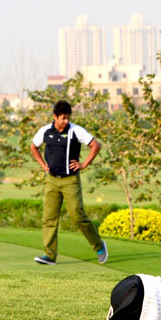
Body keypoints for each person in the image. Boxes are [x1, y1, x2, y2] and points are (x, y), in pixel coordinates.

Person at [30, 100, 108, 266]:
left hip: (70, 180)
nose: (66, 121)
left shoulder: (76, 131)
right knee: (49, 218)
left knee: (78, 215)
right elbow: (33, 147)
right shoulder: (45, 131)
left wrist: (83, 164)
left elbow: (96, 145)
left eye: (67, 118)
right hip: (51, 180)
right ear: (55, 117)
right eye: (62, 118)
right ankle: (49, 255)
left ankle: (99, 246)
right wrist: (42, 165)